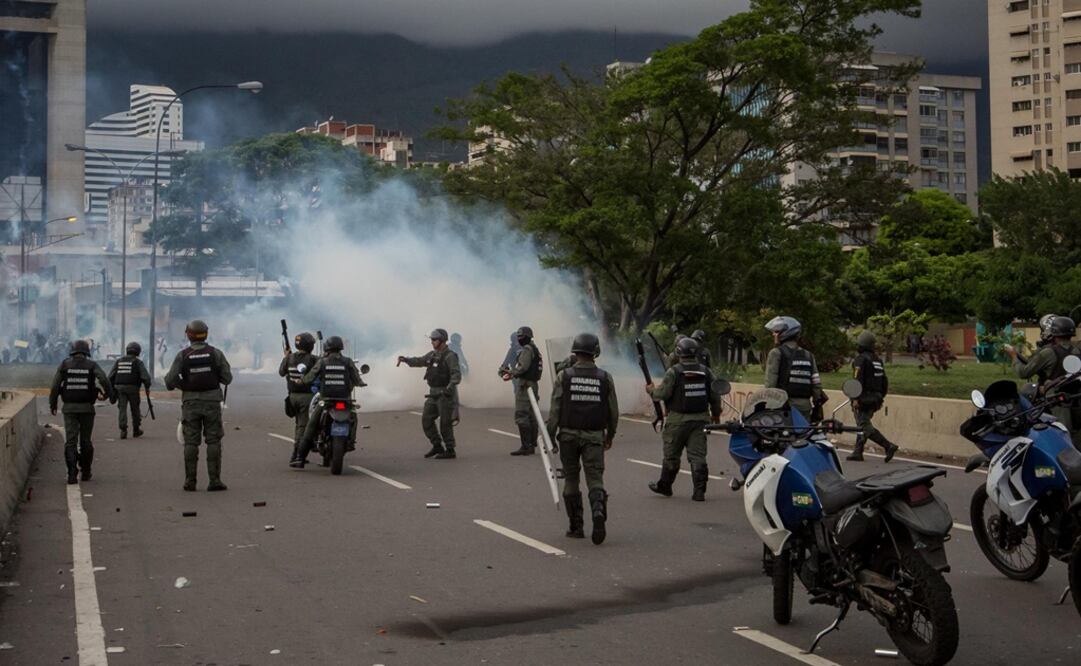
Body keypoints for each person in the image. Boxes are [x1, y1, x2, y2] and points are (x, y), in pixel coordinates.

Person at [546, 333, 618, 545]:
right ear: (595, 352)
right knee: (595, 479)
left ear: (575, 351)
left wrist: (549, 437)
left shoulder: (564, 376)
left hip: (567, 436)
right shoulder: (605, 377)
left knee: (571, 479)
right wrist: (610, 435)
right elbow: (613, 412)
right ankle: (598, 511)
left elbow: (555, 411)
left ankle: (576, 526)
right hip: (594, 436)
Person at [646, 337, 721, 501]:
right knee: (698, 456)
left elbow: (662, 394)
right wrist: (716, 415)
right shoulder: (706, 371)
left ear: (678, 352)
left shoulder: (674, 371)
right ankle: (699, 491)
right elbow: (715, 396)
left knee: (671, 455)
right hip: (701, 420)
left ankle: (665, 486)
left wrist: (651, 390)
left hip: (677, 421)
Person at [164, 320, 233, 491]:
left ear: (188, 334)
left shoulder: (183, 355)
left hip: (191, 403)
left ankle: (190, 481)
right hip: (212, 402)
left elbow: (170, 380)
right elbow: (227, 378)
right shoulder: (216, 353)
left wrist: (186, 386)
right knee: (213, 440)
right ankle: (215, 481)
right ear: (206, 334)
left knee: (191, 442)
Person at [1006, 316, 1081, 447]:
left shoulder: (1048, 352)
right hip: (1076, 400)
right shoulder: (1077, 351)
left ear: (1053, 333)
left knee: (1063, 440)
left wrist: (1013, 356)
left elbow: (1024, 372)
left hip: (1055, 402)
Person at [292, 335, 364, 468]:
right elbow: (356, 378)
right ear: (341, 348)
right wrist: (361, 383)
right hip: (344, 400)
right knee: (354, 418)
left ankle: (300, 458)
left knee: (310, 427)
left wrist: (301, 381)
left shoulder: (323, 362)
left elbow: (311, 376)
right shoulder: (348, 361)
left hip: (326, 400)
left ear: (327, 348)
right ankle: (351, 441)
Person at [49, 340, 114, 484]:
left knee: (70, 442)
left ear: (72, 351)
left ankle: (72, 474)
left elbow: (55, 386)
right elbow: (103, 378)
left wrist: (52, 403)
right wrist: (108, 394)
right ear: (86, 352)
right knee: (85, 440)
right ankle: (86, 472)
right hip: (87, 409)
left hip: (69, 409)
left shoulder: (65, 365)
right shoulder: (92, 365)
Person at [398, 329, 462, 459]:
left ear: (442, 340)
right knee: (426, 419)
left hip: (445, 394)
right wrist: (406, 360)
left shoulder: (450, 356)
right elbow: (420, 361)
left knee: (445, 423)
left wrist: (449, 387)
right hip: (433, 393)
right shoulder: (433, 354)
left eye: (434, 340)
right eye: (432, 339)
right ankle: (437, 445)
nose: (432, 342)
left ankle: (450, 449)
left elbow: (456, 374)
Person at [846, 331, 899, 462]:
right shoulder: (878, 360)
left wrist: (854, 398)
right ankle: (858, 452)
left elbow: (856, 380)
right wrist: (881, 397)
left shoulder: (860, 359)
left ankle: (888, 445)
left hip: (863, 398)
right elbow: (884, 381)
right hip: (876, 398)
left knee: (864, 425)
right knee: (862, 422)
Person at [764, 316, 827, 422]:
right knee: (803, 435)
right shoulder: (808, 355)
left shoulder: (776, 353)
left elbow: (770, 384)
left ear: (785, 333)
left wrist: (767, 405)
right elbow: (816, 384)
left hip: (783, 407)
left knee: (780, 437)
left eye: (776, 331)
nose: (773, 334)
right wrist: (817, 404)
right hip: (805, 407)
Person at [501, 325, 543, 456]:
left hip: (525, 385)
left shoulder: (526, 349)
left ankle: (526, 446)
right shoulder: (535, 349)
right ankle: (531, 444)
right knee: (531, 415)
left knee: (521, 414)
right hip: (532, 384)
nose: (519, 339)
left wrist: (511, 373)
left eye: (521, 337)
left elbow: (522, 367)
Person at [280, 332, 319, 466]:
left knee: (299, 424)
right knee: (303, 427)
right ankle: (297, 455)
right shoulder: (314, 359)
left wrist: (286, 357)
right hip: (307, 397)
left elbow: (281, 372)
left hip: (292, 397)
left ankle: (301, 450)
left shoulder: (289, 358)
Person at [108, 341, 152, 440]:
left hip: (120, 389)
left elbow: (110, 376)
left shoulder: (119, 361)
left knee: (122, 409)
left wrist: (111, 390)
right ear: (138, 352)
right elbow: (146, 377)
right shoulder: (137, 362)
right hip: (133, 388)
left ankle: (123, 430)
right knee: (135, 409)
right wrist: (147, 387)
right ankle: (136, 430)